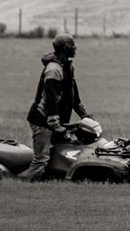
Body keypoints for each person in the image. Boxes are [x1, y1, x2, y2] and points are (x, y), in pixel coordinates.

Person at [22, 35, 89, 182]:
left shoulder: (68, 67)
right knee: (41, 159)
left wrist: (84, 115)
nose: (75, 47)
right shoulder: (54, 69)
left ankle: (53, 177)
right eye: (72, 45)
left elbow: (73, 95)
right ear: (65, 48)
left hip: (56, 121)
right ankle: (25, 184)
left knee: (70, 147)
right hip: (42, 120)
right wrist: (54, 123)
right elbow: (50, 99)